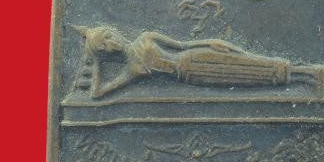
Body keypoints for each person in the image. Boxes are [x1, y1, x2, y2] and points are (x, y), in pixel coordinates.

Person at [71, 24, 301, 97]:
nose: (112, 43)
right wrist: (95, 61)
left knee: (246, 62)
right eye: (104, 46)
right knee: (242, 77)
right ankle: (293, 77)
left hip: (194, 57)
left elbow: (183, 45)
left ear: (114, 31)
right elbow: (97, 94)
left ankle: (302, 71)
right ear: (105, 52)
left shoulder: (147, 37)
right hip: (194, 76)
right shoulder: (132, 70)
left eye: (108, 36)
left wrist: (213, 43)